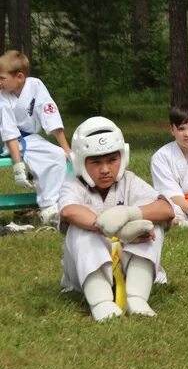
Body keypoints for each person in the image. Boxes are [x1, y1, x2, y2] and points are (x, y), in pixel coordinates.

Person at [58, 117, 175, 321]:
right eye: (95, 162)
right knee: (80, 229)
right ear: (80, 162)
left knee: (150, 226)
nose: (105, 169)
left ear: (123, 156)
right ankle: (100, 301)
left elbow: (166, 209)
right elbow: (68, 211)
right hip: (83, 273)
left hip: (128, 266)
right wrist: (109, 229)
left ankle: (137, 297)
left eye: (112, 160)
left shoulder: (129, 180)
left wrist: (131, 214)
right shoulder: (73, 184)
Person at [0, 50, 72, 224]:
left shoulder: (36, 86)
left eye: (2, 78)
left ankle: (56, 204)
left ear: (19, 77)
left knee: (57, 155)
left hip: (28, 138)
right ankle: (48, 207)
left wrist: (67, 149)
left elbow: (50, 115)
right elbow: (9, 133)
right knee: (46, 155)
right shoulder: (2, 97)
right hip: (8, 140)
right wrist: (18, 167)